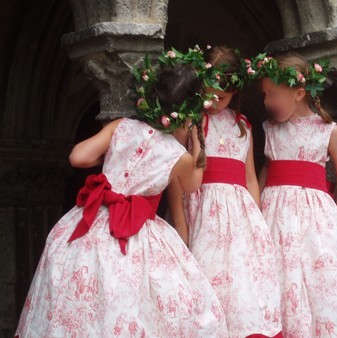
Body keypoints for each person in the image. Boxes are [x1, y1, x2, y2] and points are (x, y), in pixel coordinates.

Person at [15, 60, 228, 337]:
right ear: (188, 112)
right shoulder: (177, 155)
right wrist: (197, 141)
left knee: (84, 298)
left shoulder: (122, 126)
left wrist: (115, 155)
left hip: (93, 221)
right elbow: (191, 184)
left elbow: (78, 157)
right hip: (138, 234)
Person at [253, 52, 337, 337]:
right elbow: (267, 168)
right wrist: (256, 209)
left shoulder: (327, 130)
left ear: (299, 93)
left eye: (273, 94)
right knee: (278, 274)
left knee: (321, 279)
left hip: (316, 215)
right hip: (276, 212)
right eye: (264, 95)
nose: (267, 102)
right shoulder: (270, 129)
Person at [177, 46, 282, 337]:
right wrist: (181, 224)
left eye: (220, 97)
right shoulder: (191, 121)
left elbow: (249, 177)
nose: (212, 102)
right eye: (207, 93)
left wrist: (258, 221)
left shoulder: (243, 126)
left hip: (239, 217)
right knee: (207, 275)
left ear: (234, 93)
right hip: (204, 211)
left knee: (241, 282)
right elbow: (177, 174)